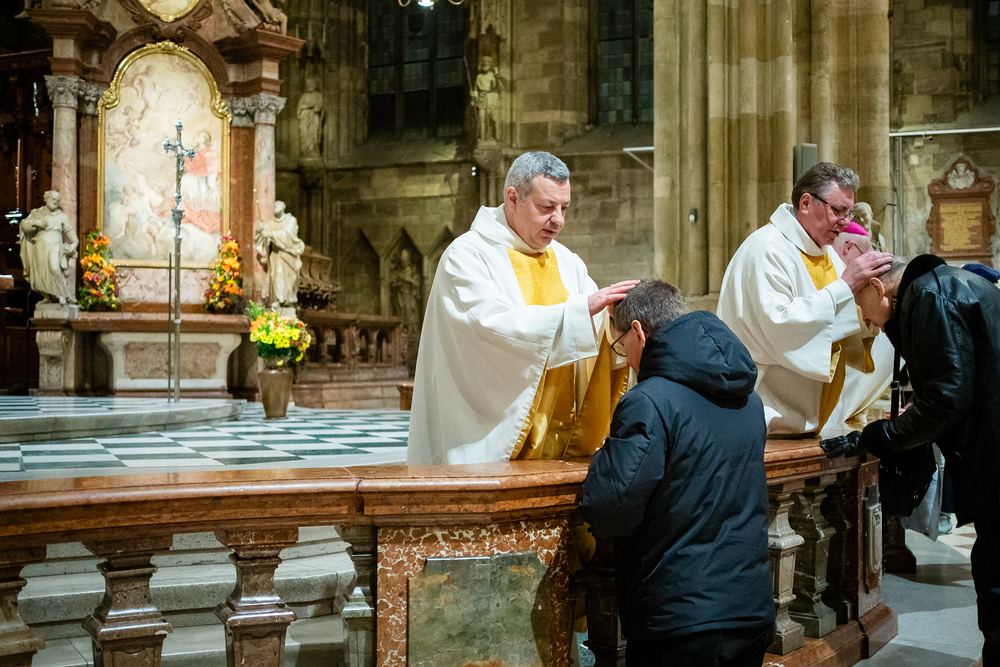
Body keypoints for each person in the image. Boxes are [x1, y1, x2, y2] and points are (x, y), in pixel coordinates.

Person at [580, 280, 775, 667]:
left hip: (681, 620)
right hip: (751, 607)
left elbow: (611, 508)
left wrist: (604, 461)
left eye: (621, 344)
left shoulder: (648, 401)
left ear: (638, 332)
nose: (625, 358)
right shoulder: (749, 399)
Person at [822, 253, 1000, 665]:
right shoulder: (941, 286)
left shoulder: (928, 296)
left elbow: (946, 400)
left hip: (994, 457)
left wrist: (880, 436)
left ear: (877, 287)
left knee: (995, 570)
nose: (865, 319)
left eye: (859, 303)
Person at [406, 151, 637, 465]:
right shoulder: (468, 256)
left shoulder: (567, 261)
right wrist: (578, 312)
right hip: (493, 446)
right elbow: (488, 329)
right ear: (513, 198)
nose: (559, 220)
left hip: (562, 445)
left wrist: (619, 321)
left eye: (564, 208)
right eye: (547, 207)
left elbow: (596, 329)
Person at [717, 162, 894, 436]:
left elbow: (843, 315)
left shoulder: (825, 252)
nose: (846, 222)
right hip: (767, 418)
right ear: (806, 203)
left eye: (848, 212)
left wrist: (873, 311)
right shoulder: (766, 249)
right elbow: (779, 325)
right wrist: (846, 285)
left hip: (808, 422)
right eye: (838, 210)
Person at [19, 190, 78, 304]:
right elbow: (24, 225)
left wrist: (74, 242)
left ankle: (61, 294)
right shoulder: (37, 213)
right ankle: (49, 296)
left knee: (54, 268)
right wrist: (37, 222)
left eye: (58, 200)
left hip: (55, 244)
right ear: (46, 199)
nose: (56, 202)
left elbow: (69, 231)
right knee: (41, 273)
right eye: (53, 199)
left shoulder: (61, 216)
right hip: (40, 246)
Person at [255, 200, 305, 308]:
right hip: (277, 256)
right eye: (274, 205)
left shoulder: (291, 220)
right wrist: (259, 228)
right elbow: (260, 232)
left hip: (289, 255)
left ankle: (288, 300)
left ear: (284, 207)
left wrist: (269, 233)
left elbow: (286, 236)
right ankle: (280, 299)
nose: (275, 206)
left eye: (278, 204)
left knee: (290, 279)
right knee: (277, 275)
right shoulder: (271, 223)